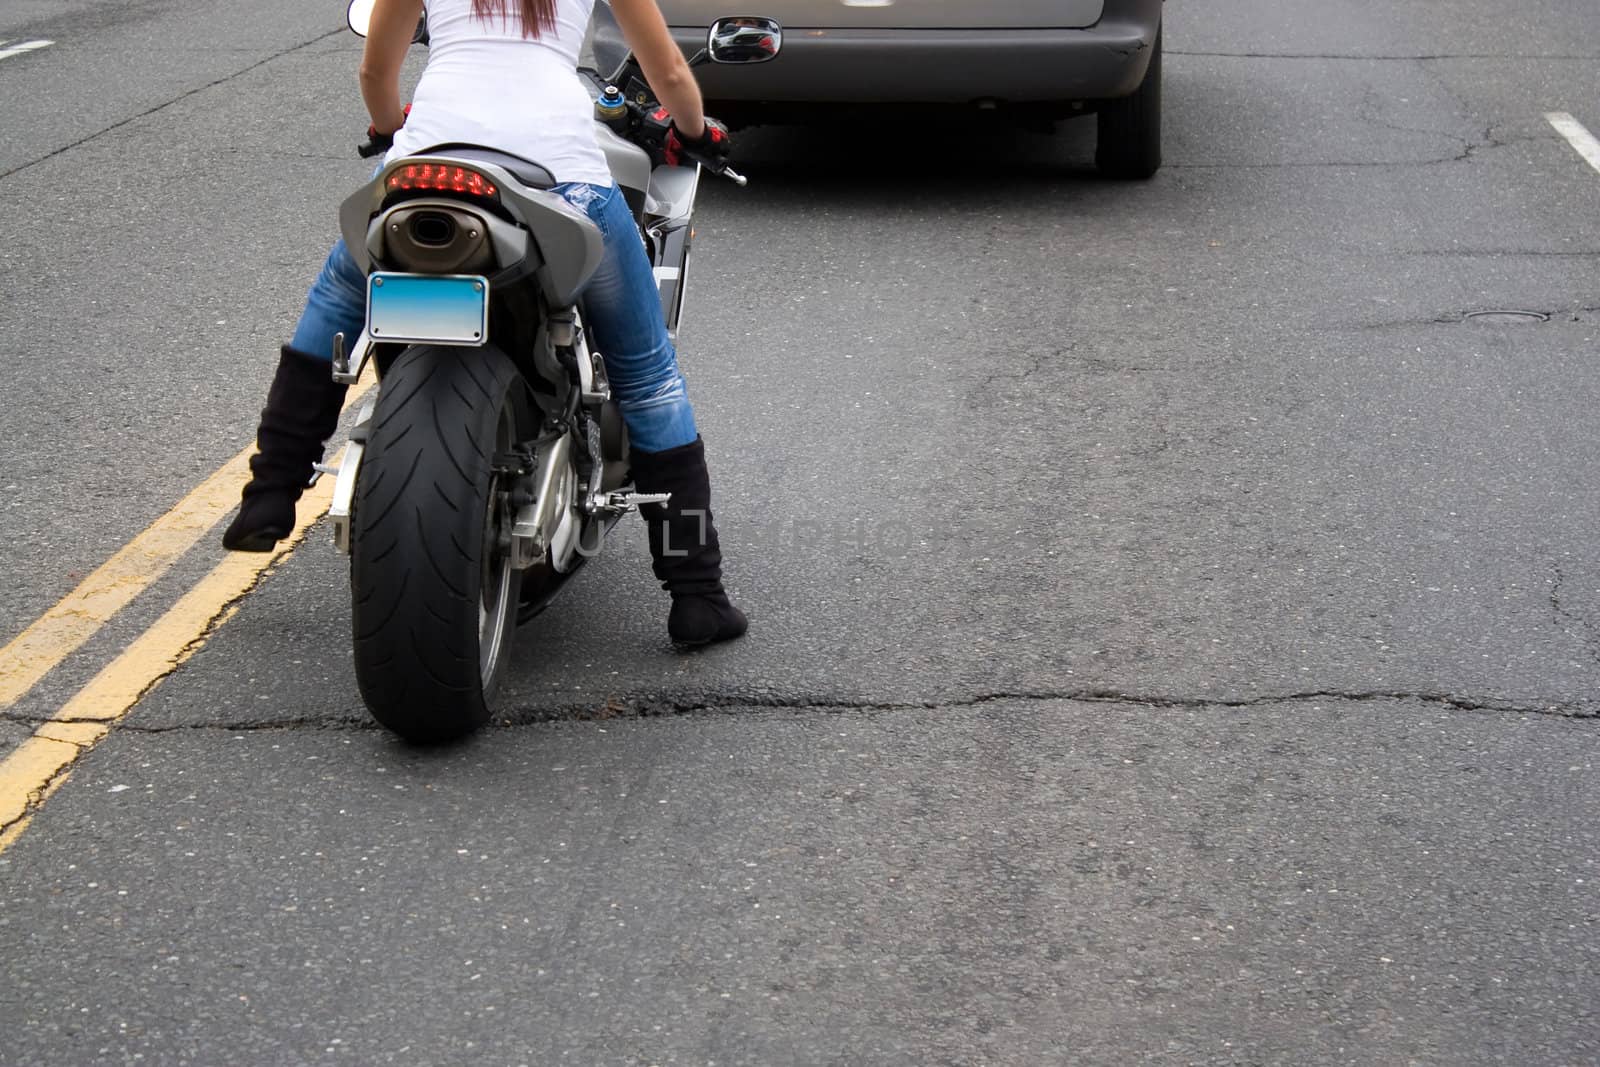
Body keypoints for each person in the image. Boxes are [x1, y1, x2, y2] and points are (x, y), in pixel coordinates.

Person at [222, 0, 746, 648]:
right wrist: (695, 132)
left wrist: (393, 131)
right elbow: (666, 69)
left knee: (335, 301)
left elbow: (374, 75)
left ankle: (270, 492)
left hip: (428, 167)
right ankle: (696, 593)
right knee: (646, 375)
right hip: (563, 179)